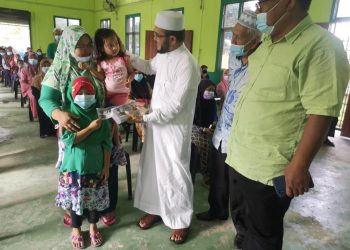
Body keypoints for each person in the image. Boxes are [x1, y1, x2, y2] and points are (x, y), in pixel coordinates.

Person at [226, 1, 350, 249]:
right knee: (242, 222)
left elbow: (321, 112)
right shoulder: (267, 44)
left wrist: (300, 165)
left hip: (269, 169)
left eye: (264, 1)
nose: (258, 6)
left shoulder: (321, 46)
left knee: (263, 234)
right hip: (239, 156)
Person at [126, 11, 200, 244]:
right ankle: (157, 209)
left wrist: (143, 117)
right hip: (157, 126)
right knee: (154, 170)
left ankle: (180, 220)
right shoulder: (165, 55)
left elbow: (176, 107)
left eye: (158, 36)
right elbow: (148, 66)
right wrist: (126, 56)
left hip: (174, 130)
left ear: (173, 39)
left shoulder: (187, 63)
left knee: (174, 174)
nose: (155, 39)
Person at [39, 26, 111, 249]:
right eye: (81, 45)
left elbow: (106, 90)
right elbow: (46, 98)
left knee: (98, 178)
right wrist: (58, 114)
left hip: (99, 128)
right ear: (70, 45)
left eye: (89, 44)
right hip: (73, 132)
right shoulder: (60, 68)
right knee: (76, 181)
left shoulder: (93, 65)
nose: (87, 49)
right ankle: (76, 224)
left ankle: (95, 221)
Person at [195, 10, 261, 249]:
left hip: (240, 138)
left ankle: (242, 231)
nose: (232, 42)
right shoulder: (235, 62)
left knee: (239, 189)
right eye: (232, 35)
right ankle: (216, 210)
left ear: (255, 41)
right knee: (217, 176)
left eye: (238, 37)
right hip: (222, 132)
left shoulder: (260, 67)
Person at [56, 77, 111, 248]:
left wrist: (106, 166)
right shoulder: (67, 116)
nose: (85, 96)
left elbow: (107, 143)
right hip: (73, 168)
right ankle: (76, 229)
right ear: (73, 95)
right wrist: (90, 128)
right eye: (80, 92)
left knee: (93, 201)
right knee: (75, 200)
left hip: (95, 166)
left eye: (88, 92)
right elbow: (69, 140)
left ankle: (94, 227)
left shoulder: (100, 116)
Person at [92, 28, 135, 106]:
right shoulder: (101, 63)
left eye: (116, 43)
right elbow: (101, 77)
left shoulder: (124, 59)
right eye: (110, 45)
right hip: (109, 95)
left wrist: (130, 79)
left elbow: (131, 72)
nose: (115, 47)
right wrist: (90, 69)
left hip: (123, 93)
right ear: (101, 48)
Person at [191, 79, 217, 184]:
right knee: (204, 143)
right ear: (202, 89)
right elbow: (188, 123)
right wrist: (202, 129)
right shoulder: (193, 103)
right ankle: (205, 174)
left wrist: (212, 126)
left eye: (212, 90)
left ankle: (213, 172)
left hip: (207, 130)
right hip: (193, 129)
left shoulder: (212, 103)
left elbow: (214, 118)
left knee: (217, 143)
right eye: (209, 89)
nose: (211, 92)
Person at [32, 58, 56, 138]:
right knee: (42, 116)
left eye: (48, 65)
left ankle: (52, 132)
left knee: (51, 115)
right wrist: (42, 98)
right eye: (44, 66)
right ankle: (43, 132)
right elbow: (34, 91)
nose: (46, 67)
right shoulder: (37, 78)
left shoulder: (54, 77)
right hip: (40, 100)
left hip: (52, 99)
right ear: (40, 67)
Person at [20, 52, 39, 121]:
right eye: (31, 58)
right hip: (29, 88)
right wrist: (31, 86)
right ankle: (35, 114)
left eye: (35, 58)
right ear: (28, 59)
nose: (33, 59)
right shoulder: (24, 69)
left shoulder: (40, 68)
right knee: (34, 96)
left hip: (40, 87)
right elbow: (22, 81)